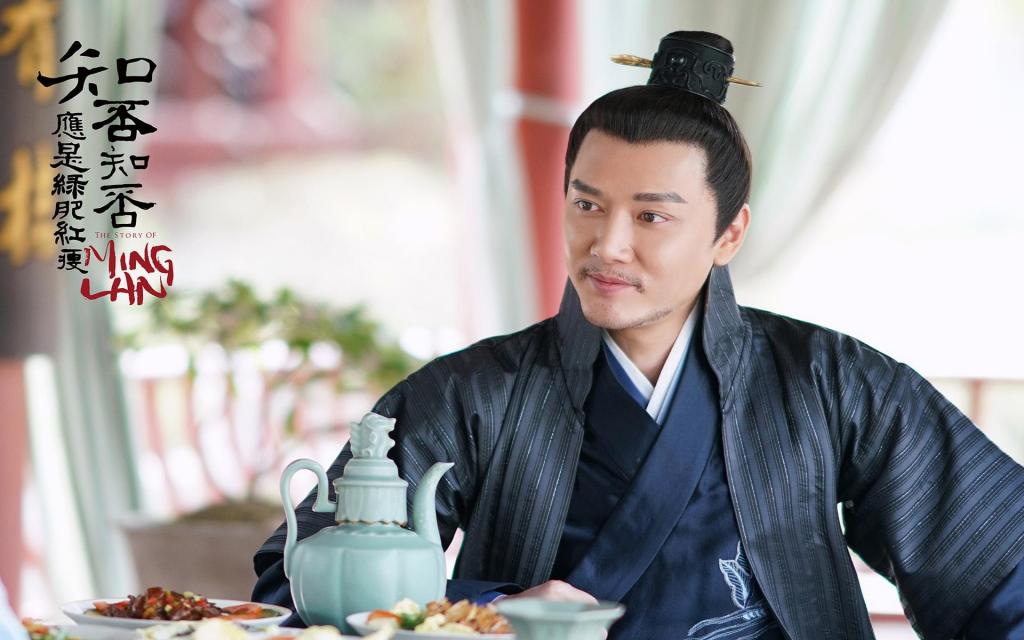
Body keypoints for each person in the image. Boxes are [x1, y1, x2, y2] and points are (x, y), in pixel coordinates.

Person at [252, 31, 1024, 639]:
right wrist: (486, 612)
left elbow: (1001, 568)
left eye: (651, 215)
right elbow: (301, 582)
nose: (608, 245)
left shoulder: (829, 381)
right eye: (587, 205)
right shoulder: (473, 393)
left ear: (729, 233)